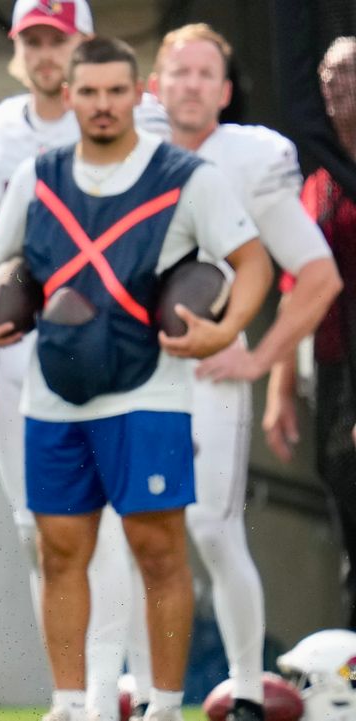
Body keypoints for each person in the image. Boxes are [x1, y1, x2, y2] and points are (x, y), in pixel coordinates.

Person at [0, 37, 272, 721]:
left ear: (137, 95)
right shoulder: (38, 178)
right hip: (53, 394)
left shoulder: (187, 177)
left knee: (159, 548)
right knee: (62, 550)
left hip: (148, 391)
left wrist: (225, 327)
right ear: (70, 97)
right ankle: (69, 703)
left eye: (116, 91)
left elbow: (252, 261)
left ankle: (162, 705)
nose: (102, 105)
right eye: (89, 92)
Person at [94, 24, 340, 721]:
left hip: (207, 372)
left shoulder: (250, 160)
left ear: (225, 92)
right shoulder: (122, 150)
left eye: (207, 74)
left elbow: (319, 275)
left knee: (208, 526)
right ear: (157, 84)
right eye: (181, 71)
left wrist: (260, 357)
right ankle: (146, 692)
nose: (193, 85)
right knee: (130, 528)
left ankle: (244, 688)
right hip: (129, 373)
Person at [0, 3, 170, 714]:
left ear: (85, 44)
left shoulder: (139, 117)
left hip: (115, 352)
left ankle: (109, 689)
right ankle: (74, 692)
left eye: (58, 39)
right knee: (39, 529)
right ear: (18, 49)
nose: (46, 54)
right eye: (33, 40)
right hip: (22, 354)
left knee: (111, 527)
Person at [266, 36, 356, 628]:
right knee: (345, 508)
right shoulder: (317, 180)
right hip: (330, 366)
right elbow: (297, 282)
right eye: (325, 70)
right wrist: (278, 387)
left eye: (347, 71)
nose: (332, 80)